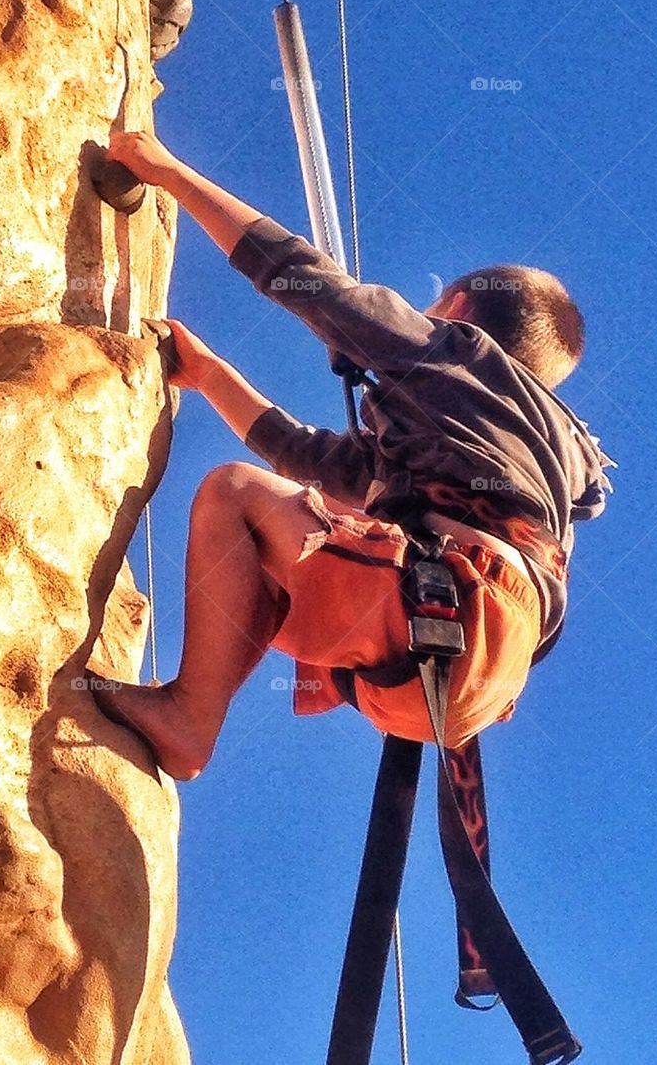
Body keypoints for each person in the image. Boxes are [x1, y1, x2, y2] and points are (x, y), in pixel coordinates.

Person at [88, 130, 613, 780]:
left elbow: (308, 281)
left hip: (444, 609)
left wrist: (170, 173)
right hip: (473, 673)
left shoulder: (457, 353)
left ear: (456, 308)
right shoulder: (519, 454)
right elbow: (311, 459)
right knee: (282, 529)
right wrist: (213, 376)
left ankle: (190, 715)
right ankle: (192, 713)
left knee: (232, 494)